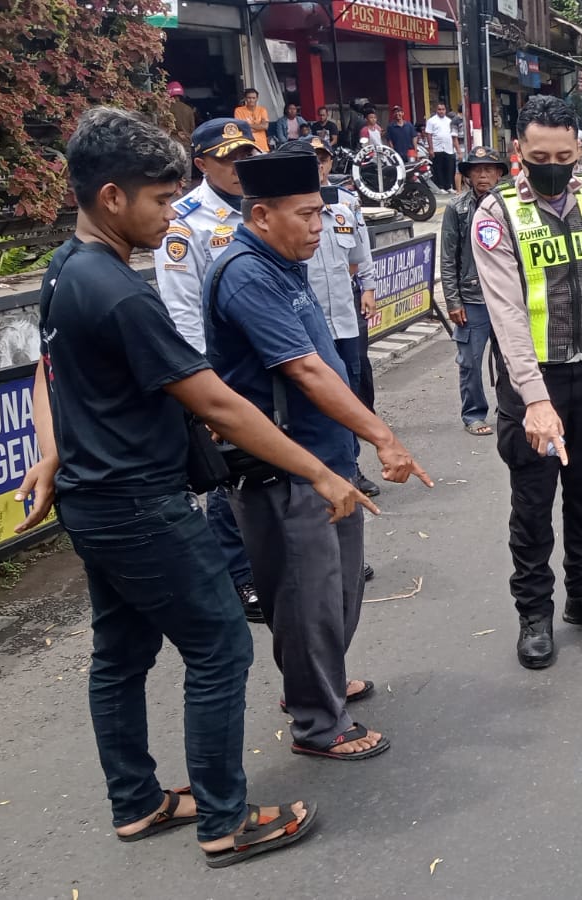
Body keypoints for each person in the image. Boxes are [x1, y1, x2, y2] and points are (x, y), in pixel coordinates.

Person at [20, 106, 350, 868]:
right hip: (141, 505)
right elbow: (215, 403)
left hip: (92, 500)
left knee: (121, 653)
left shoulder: (64, 268)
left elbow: (49, 372)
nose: (174, 212)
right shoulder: (119, 293)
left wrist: (50, 451)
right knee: (221, 645)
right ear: (111, 198)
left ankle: (137, 802)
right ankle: (226, 821)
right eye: (161, 200)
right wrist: (319, 469)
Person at [204, 145, 434, 760]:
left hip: (327, 461)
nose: (318, 226)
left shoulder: (284, 263)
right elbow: (305, 370)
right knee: (306, 597)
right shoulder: (247, 274)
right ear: (260, 216)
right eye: (305, 214)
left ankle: (318, 682)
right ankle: (317, 721)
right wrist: (383, 436)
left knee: (335, 592)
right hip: (287, 469)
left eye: (321, 213)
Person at [470, 95, 582, 670]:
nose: (553, 165)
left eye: (564, 154)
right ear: (520, 150)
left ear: (579, 149)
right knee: (534, 505)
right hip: (531, 384)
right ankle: (534, 614)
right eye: (540, 154)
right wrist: (535, 399)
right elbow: (508, 314)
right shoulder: (495, 216)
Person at [154, 119, 265, 622]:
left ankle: (280, 557)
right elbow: (182, 312)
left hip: (264, 360)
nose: (239, 167)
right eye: (227, 159)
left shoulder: (258, 205)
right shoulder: (186, 222)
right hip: (221, 373)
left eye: (244, 155)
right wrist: (208, 387)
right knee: (232, 476)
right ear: (201, 164)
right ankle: (239, 576)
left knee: (271, 462)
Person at [291, 136, 383, 499]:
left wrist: (370, 288)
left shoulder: (346, 204)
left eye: (322, 158)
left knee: (352, 390)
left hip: (345, 318)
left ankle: (351, 466)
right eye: (310, 159)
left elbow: (361, 253)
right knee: (314, 395)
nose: (318, 165)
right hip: (306, 322)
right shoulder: (289, 209)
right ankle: (315, 468)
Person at [439, 145, 506, 437]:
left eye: (488, 170)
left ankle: (510, 409)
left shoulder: (510, 206)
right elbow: (448, 257)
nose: (483, 175)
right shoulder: (457, 208)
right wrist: (453, 300)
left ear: (499, 174)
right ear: (467, 175)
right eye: (476, 170)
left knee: (512, 358)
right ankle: (473, 413)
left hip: (505, 296)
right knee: (470, 361)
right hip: (472, 298)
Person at [426, 102, 458, 192]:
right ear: (436, 110)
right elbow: (429, 135)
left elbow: (453, 135)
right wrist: (431, 149)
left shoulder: (449, 121)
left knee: (449, 168)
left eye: (443, 109)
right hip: (437, 148)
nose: (441, 111)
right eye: (439, 109)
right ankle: (441, 187)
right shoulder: (431, 121)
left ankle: (449, 187)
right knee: (438, 168)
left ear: (445, 110)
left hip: (448, 148)